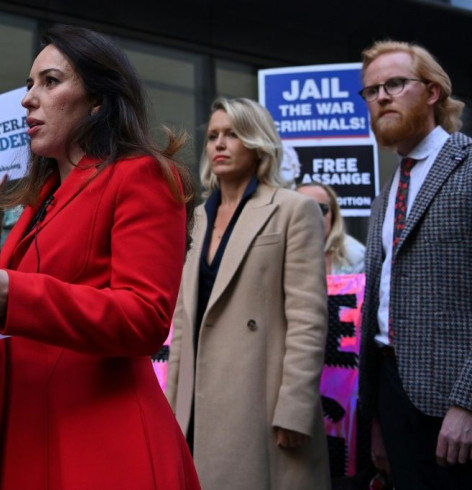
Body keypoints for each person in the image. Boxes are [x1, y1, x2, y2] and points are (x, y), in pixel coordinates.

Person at [0, 25, 200, 489]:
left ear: (97, 99)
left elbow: (146, 317)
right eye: (29, 84)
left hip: (101, 439)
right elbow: (36, 337)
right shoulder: (42, 198)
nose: (28, 99)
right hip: (24, 435)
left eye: (50, 82)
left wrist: (14, 293)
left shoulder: (142, 176)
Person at [166, 97, 330, 490]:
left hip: (262, 398)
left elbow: (308, 319)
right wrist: (171, 408)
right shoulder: (196, 216)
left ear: (257, 142)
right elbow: (184, 320)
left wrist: (295, 408)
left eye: (233, 134)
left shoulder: (293, 209)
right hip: (196, 403)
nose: (219, 144)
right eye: (214, 136)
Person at [357, 40, 472, 489]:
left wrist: (467, 403)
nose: (381, 96)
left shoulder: (467, 168)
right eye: (371, 90)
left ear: (432, 92)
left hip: (453, 407)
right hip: (391, 393)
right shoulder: (388, 191)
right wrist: (377, 419)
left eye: (395, 83)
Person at [296, 181, 365, 274]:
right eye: (302, 209)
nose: (312, 216)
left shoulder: (354, 255)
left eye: (320, 208)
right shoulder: (278, 252)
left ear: (333, 215)